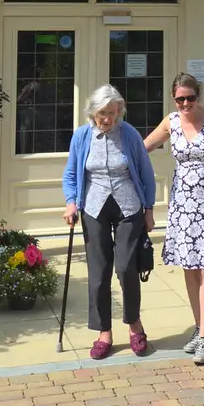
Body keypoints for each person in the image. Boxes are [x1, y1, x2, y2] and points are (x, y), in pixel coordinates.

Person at [142, 72, 204, 366]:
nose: (186, 103)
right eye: (180, 99)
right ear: (174, 99)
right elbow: (140, 148)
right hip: (184, 205)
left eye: (191, 97)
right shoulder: (170, 122)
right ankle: (200, 329)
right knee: (190, 267)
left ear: (198, 95)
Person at [62, 85, 158, 360]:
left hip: (129, 204)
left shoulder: (128, 134)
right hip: (93, 205)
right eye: (103, 113)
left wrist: (149, 210)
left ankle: (134, 324)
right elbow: (71, 174)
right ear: (93, 112)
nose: (108, 119)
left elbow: (145, 173)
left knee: (127, 266)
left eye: (113, 113)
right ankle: (104, 331)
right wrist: (71, 202)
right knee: (98, 272)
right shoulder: (82, 136)